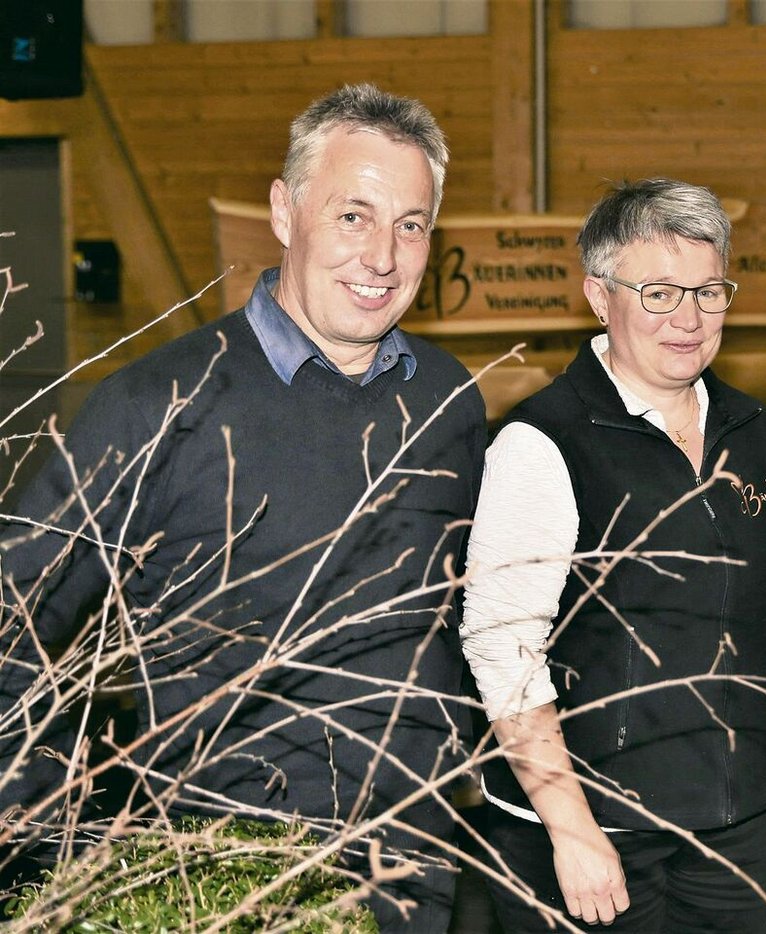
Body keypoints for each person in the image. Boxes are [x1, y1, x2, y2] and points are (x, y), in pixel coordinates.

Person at [0, 83, 486, 931]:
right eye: (353, 216)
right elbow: (14, 619)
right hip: (228, 879)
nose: (382, 256)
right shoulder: (160, 406)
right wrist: (57, 839)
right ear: (284, 212)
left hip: (416, 867)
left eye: (410, 225)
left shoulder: (449, 399)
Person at [459, 178, 766, 932]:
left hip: (733, 820)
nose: (688, 319)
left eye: (708, 292)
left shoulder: (755, 432)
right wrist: (571, 830)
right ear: (600, 297)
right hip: (588, 827)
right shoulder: (542, 442)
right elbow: (502, 646)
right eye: (659, 293)